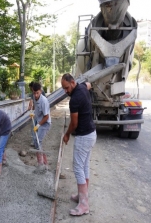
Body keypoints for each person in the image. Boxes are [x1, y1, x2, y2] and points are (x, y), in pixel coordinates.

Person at [61, 73, 96, 216]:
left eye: (67, 87)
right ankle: (83, 196)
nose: (66, 91)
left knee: (77, 167)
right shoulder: (82, 87)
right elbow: (89, 84)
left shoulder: (74, 100)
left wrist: (67, 134)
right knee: (84, 165)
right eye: (64, 88)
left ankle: (84, 205)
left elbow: (74, 123)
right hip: (92, 133)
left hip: (83, 136)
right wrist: (88, 85)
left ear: (73, 82)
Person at [30, 82, 51, 172]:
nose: (36, 95)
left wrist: (38, 125)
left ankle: (41, 164)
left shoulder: (44, 101)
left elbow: (46, 117)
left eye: (37, 93)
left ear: (41, 91)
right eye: (34, 93)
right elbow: (35, 106)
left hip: (45, 123)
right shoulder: (35, 97)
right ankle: (44, 163)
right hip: (39, 121)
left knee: (38, 142)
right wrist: (32, 111)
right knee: (36, 141)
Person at [28, 81, 46, 147]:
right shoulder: (34, 93)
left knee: (38, 127)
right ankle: (34, 141)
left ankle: (38, 142)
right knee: (33, 126)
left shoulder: (41, 95)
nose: (34, 94)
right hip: (37, 113)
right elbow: (33, 102)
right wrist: (32, 111)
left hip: (41, 113)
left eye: (31, 89)